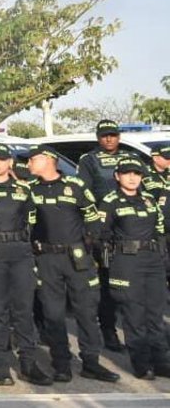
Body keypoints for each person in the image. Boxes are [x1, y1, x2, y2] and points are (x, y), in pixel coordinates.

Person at [27, 144, 120, 383]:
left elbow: (93, 217)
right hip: (46, 258)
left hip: (78, 258)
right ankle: (61, 364)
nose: (28, 164)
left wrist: (90, 243)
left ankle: (91, 362)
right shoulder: (29, 190)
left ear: (48, 160)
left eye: (32, 159)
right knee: (53, 313)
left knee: (87, 311)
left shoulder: (75, 186)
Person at [0, 144, 52, 386]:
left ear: (10, 163)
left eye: (2, 159)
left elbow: (33, 221)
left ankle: (28, 364)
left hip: (21, 255)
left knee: (24, 312)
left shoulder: (23, 189)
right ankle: (2, 366)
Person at [98, 157, 170, 378]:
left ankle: (161, 361)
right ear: (117, 176)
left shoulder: (149, 200)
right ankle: (142, 363)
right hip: (126, 262)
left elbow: (160, 230)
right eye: (127, 173)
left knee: (155, 315)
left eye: (136, 173)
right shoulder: (110, 201)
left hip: (153, 261)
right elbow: (100, 235)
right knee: (134, 314)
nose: (132, 177)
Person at [76, 119, 126, 352]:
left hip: (130, 228)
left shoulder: (130, 160)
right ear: (98, 137)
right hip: (104, 230)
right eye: (104, 135)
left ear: (119, 136)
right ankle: (108, 331)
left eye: (113, 135)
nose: (109, 139)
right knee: (106, 285)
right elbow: (84, 193)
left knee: (134, 285)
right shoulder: (89, 160)